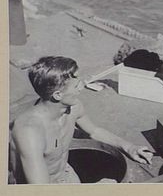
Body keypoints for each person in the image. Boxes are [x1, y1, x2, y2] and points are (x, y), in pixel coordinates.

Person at [9, 56, 153, 184]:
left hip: (65, 174)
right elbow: (41, 194)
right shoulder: (29, 131)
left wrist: (129, 147)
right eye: (77, 84)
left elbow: (94, 131)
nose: (83, 85)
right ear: (58, 95)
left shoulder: (73, 107)